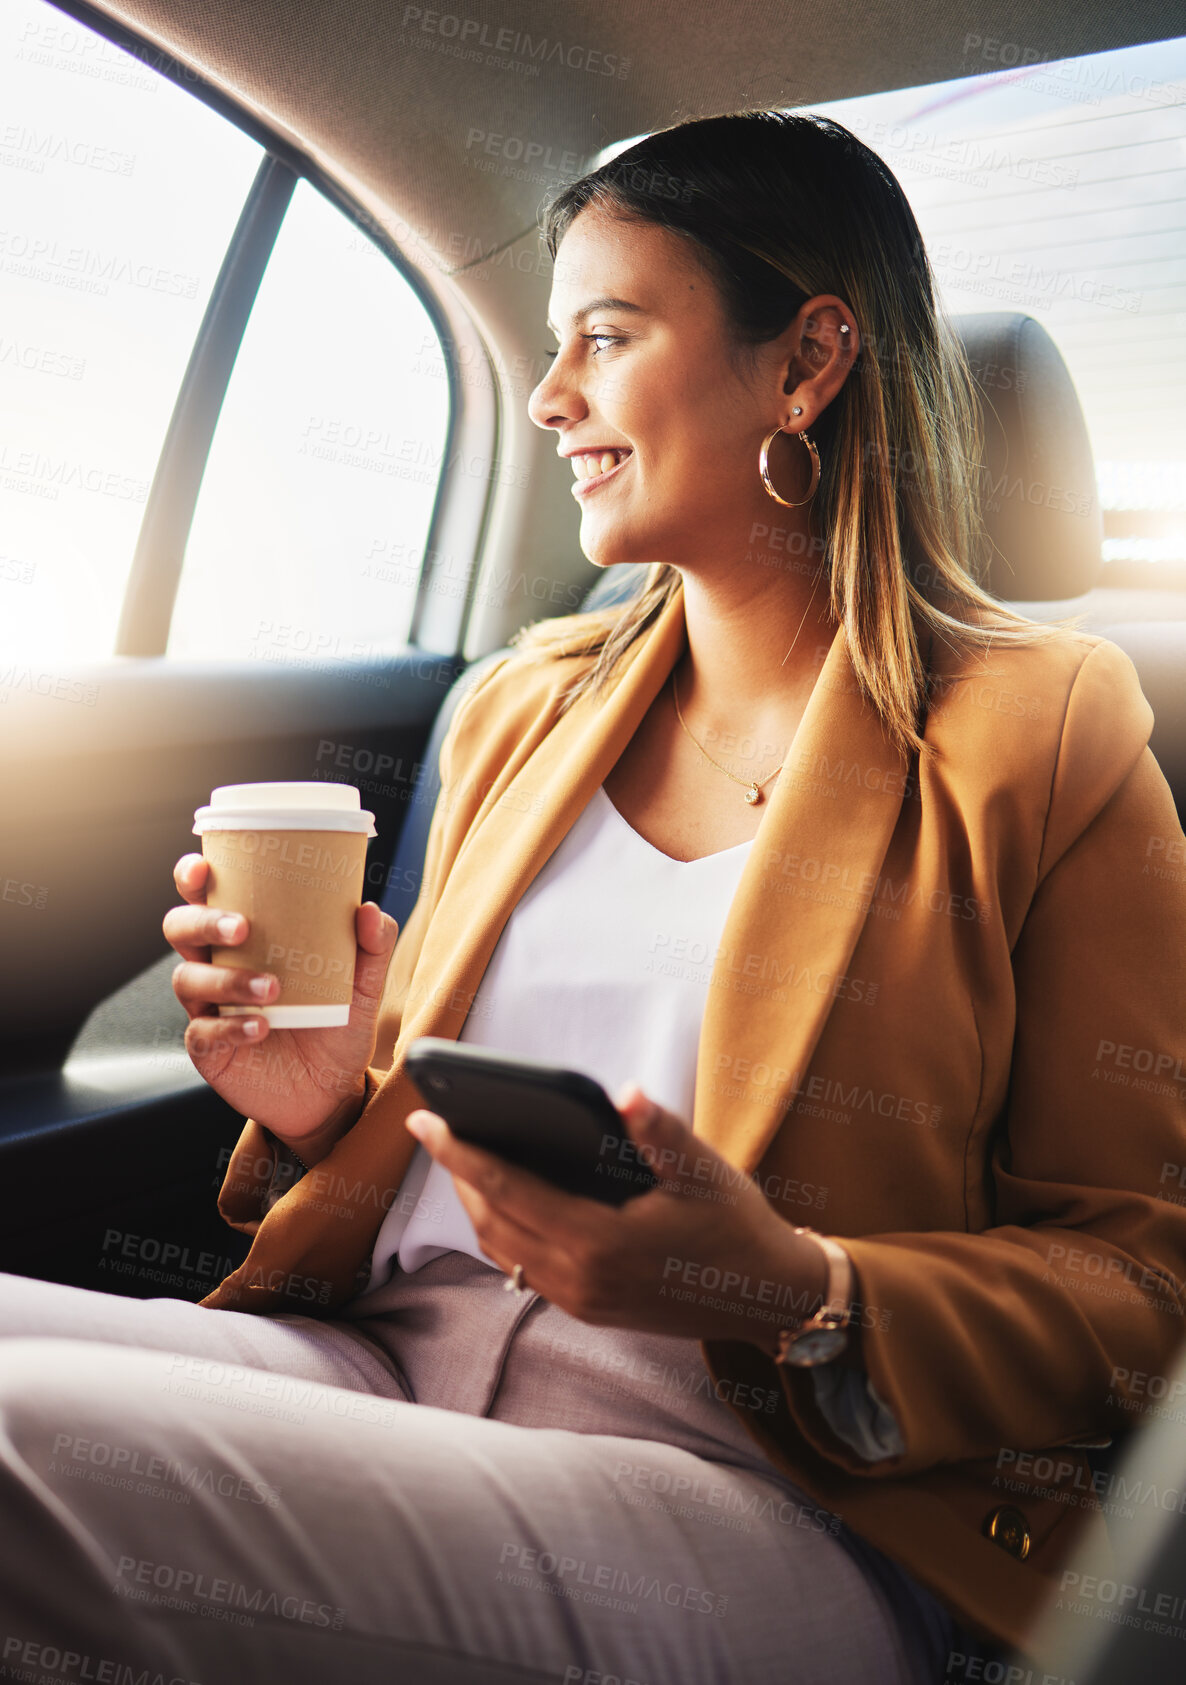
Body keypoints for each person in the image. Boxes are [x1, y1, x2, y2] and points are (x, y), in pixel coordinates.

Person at [1, 110, 1184, 1685]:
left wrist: (794, 1286)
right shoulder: (523, 706)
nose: (552, 399)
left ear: (805, 361)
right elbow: (430, 1167)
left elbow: (1140, 1282)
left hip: (766, 1490)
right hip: (392, 1364)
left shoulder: (1038, 732)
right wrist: (315, 1109)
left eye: (606, 337)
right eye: (550, 348)